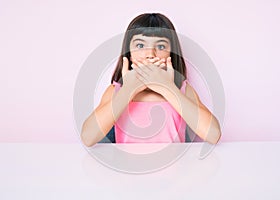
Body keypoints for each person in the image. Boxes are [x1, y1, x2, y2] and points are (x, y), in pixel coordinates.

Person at [81, 13, 221, 147]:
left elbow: (213, 135)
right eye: (140, 46)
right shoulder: (116, 91)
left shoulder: (182, 90)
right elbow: (88, 137)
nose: (150, 54)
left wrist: (168, 88)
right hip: (127, 169)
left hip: (176, 170)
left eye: (160, 46)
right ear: (128, 53)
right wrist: (128, 90)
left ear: (171, 53)